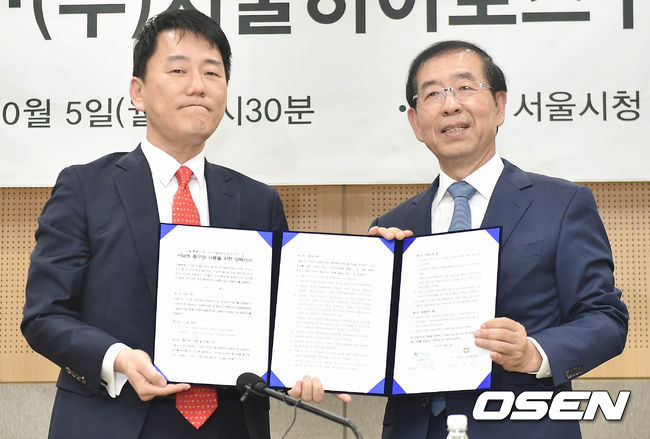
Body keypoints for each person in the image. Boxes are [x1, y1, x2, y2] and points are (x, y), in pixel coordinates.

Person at [21, 9, 330, 439]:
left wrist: (309, 363)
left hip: (229, 425)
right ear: (138, 92)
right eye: (178, 70)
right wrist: (117, 358)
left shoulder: (258, 201)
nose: (198, 85)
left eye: (212, 72)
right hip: (115, 420)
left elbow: (283, 323)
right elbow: (44, 315)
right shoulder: (85, 188)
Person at [368, 40, 629, 438]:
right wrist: (373, 282)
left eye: (465, 88)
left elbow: (606, 319)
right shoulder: (393, 227)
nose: (450, 105)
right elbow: (376, 349)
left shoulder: (562, 204)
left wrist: (533, 352)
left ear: (500, 105)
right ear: (416, 123)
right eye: (433, 94)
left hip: (522, 425)